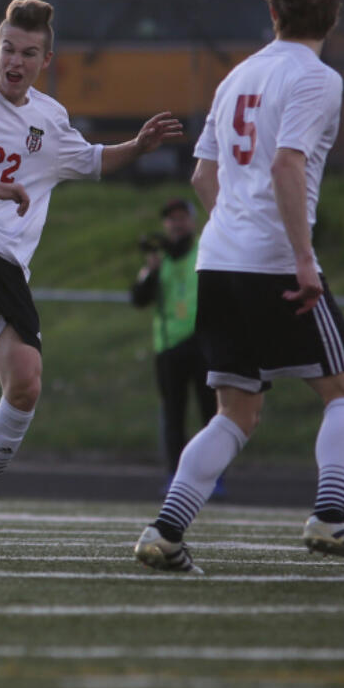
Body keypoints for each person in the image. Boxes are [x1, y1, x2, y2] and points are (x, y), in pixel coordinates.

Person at [133, 0, 344, 574]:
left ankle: (165, 531)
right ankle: (331, 516)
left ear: (273, 10)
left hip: (217, 262)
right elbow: (287, 163)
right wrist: (304, 261)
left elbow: (204, 177)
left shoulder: (237, 76)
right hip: (275, 263)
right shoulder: (317, 78)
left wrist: (236, 225)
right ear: (332, 15)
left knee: (236, 412)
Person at [0, 0, 182, 552]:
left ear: (47, 59)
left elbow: (91, 161)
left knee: (26, 383)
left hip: (5, 268)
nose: (15, 61)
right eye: (8, 49)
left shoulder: (50, 119)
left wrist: (136, 147)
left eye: (28, 53)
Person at [130, 197, 219, 489]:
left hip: (204, 343)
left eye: (182, 218)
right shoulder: (160, 260)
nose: (177, 224)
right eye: (171, 219)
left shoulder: (204, 251)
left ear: (192, 222)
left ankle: (211, 477)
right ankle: (176, 477)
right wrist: (151, 270)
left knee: (212, 415)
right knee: (173, 415)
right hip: (169, 347)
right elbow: (138, 299)